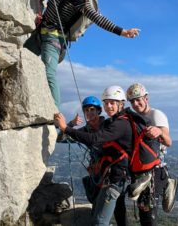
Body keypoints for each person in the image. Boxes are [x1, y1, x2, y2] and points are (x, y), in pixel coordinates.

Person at [35, 0, 140, 108]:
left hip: (54, 39)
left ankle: (55, 112)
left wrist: (123, 32)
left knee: (49, 73)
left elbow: (98, 18)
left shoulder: (79, 0)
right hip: (40, 32)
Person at [54, 86, 132, 226]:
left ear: (98, 111)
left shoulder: (108, 125)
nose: (89, 113)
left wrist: (67, 128)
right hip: (101, 174)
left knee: (115, 211)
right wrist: (70, 125)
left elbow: (94, 139)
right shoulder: (86, 130)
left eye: (92, 110)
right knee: (101, 208)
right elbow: (60, 139)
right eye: (86, 110)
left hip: (114, 173)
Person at [126, 83, 178, 226]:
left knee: (148, 214)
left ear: (146, 98)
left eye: (138, 99)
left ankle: (167, 183)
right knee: (145, 213)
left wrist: (159, 132)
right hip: (142, 169)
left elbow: (168, 142)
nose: (136, 104)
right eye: (132, 101)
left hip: (155, 169)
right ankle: (167, 183)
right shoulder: (135, 118)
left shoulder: (156, 115)